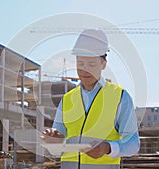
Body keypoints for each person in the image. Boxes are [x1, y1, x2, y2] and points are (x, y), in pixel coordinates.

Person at [41, 29, 140, 169]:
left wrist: (107, 147)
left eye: (91, 65)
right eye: (80, 64)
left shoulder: (120, 97)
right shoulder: (67, 99)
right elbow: (57, 148)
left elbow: (133, 144)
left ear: (103, 64)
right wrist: (53, 141)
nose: (84, 70)